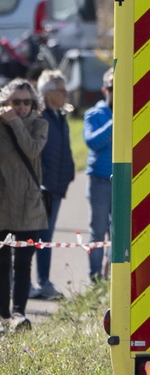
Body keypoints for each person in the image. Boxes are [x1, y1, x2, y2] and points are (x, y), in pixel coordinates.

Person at [0, 78, 49, 333]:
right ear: (5, 102)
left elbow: (31, 151)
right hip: (3, 204)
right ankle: (2, 316)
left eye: (26, 102)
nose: (21, 107)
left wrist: (15, 122)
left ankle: (19, 313)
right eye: (15, 102)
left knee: (23, 263)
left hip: (30, 207)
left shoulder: (39, 124)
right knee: (1, 263)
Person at [31, 69, 75, 300]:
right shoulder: (38, 118)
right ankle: (29, 284)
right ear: (49, 93)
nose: (66, 94)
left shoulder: (60, 117)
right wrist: (43, 179)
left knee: (46, 237)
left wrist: (68, 175)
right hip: (41, 189)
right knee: (33, 236)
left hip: (56, 189)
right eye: (61, 90)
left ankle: (43, 282)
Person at [84, 68, 113, 282]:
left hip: (123, 181)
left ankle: (112, 276)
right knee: (98, 231)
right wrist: (116, 123)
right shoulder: (94, 114)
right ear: (105, 90)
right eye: (113, 88)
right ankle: (95, 278)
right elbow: (92, 141)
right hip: (100, 181)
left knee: (119, 232)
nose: (117, 93)